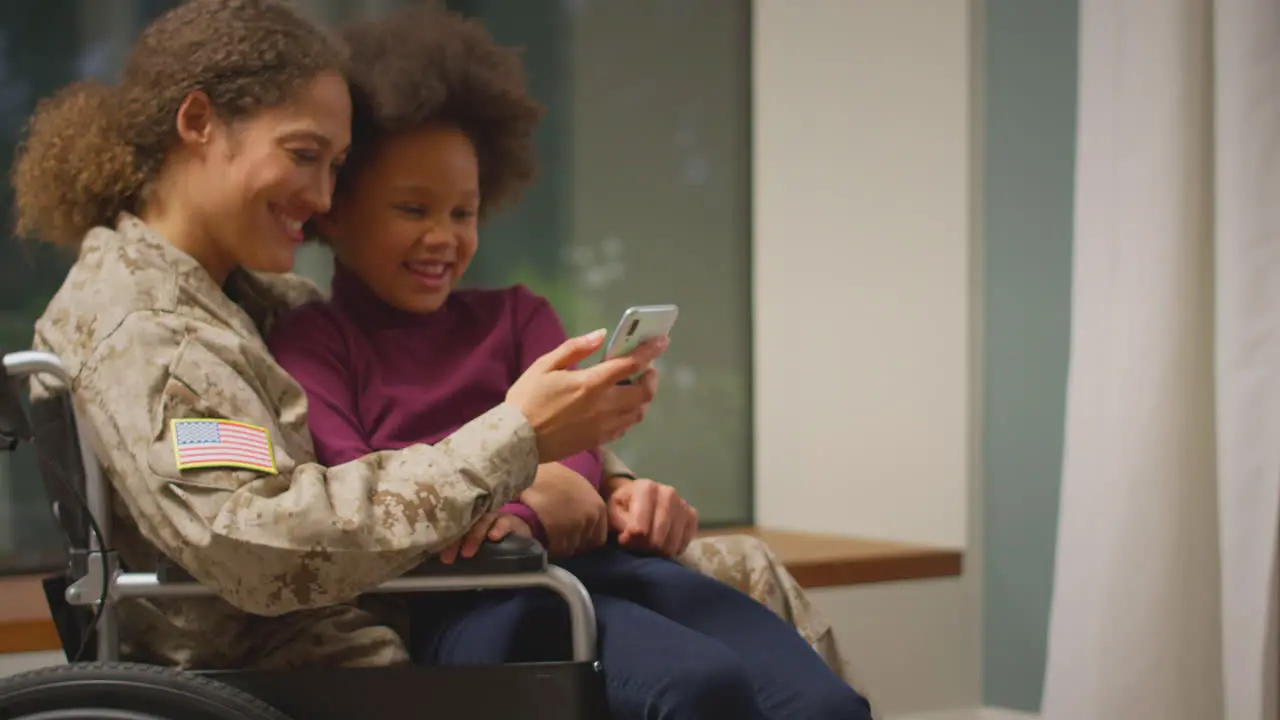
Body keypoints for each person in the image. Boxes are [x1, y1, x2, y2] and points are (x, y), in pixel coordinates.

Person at [13, 0, 665, 670]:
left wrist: (601, 480)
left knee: (726, 580)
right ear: (199, 122)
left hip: (416, 609)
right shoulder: (144, 333)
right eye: (304, 155)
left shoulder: (256, 303)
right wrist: (517, 450)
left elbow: (403, 421)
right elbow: (257, 543)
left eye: (337, 166)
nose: (325, 198)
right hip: (316, 673)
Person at [265, 8, 871, 718]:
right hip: (467, 603)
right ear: (334, 212)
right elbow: (357, 485)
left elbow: (580, 467)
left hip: (605, 567)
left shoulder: (519, 315)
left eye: (463, 213)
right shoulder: (314, 344)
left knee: (824, 703)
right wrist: (526, 493)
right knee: (698, 690)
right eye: (412, 209)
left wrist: (530, 505)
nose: (443, 238)